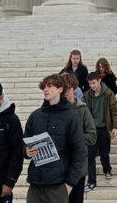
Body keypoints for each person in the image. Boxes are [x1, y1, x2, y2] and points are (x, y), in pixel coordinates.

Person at [23, 74, 86, 203]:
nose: (45, 89)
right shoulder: (35, 116)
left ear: (60, 89)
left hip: (58, 185)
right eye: (44, 87)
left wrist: (69, 184)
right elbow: (23, 143)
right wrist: (26, 151)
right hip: (36, 184)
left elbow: (79, 152)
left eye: (50, 86)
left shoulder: (71, 117)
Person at [60, 73, 96, 203]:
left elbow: (92, 137)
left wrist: (75, 138)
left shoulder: (83, 110)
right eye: (62, 89)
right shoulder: (54, 110)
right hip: (59, 168)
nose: (64, 92)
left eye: (67, 89)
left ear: (75, 89)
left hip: (78, 168)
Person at [83, 71, 117, 191]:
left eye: (94, 83)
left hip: (104, 128)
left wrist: (115, 128)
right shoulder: (87, 95)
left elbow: (115, 112)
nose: (92, 86)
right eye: (90, 84)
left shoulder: (108, 94)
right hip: (91, 130)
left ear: (99, 81)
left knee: (104, 153)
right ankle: (91, 182)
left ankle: (107, 170)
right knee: (90, 156)